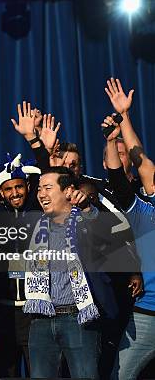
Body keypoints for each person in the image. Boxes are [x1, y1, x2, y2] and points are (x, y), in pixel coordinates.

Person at [23, 166, 118, 379]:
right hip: (41, 320)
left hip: (78, 319)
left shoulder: (86, 220)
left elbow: (108, 231)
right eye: (39, 189)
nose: (41, 194)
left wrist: (87, 208)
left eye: (48, 188)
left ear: (68, 192)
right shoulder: (35, 224)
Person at [0, 154, 40, 378]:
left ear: (28, 186)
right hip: (3, 313)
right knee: (5, 372)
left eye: (19, 187)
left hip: (34, 313)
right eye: (9, 189)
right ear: (0, 192)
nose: (15, 193)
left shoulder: (36, 212)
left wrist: (37, 144)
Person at [102, 112, 155, 380]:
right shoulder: (144, 212)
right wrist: (116, 133)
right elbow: (124, 175)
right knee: (121, 375)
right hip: (148, 311)